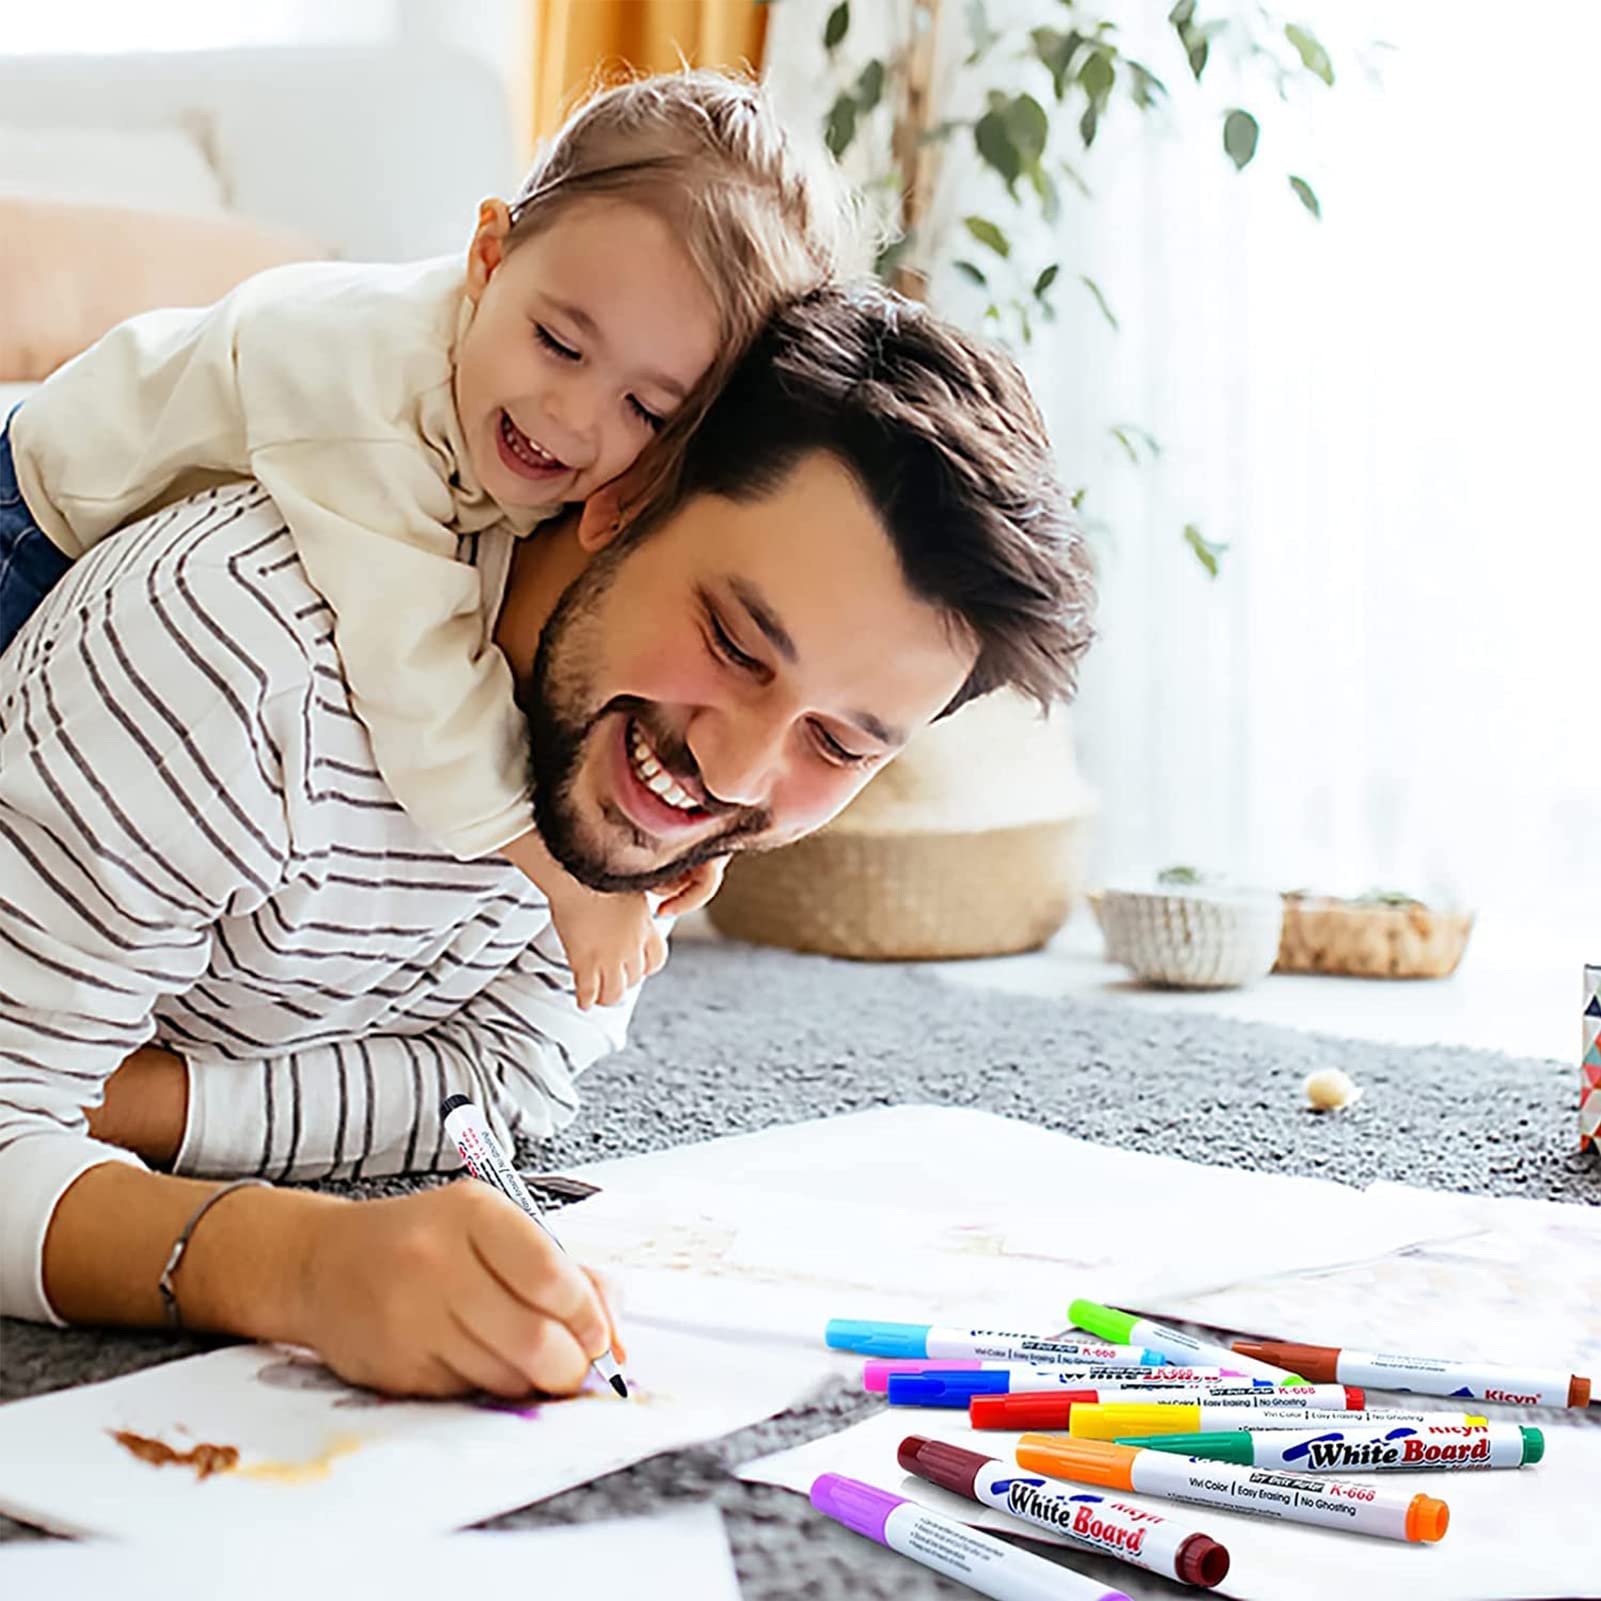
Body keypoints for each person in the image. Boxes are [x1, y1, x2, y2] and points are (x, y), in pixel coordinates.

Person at [0, 282, 1095, 1403]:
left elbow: (505, 1080)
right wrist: (296, 1261)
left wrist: (132, 1102)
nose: (731, 771)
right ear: (619, 501)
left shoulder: (620, 780)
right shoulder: (231, 659)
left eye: (836, 741)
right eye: (730, 641)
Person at [0, 70, 853, 1013]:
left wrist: (673, 838)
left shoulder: (543, 431)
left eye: (647, 408)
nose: (566, 415)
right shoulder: (365, 396)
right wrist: (564, 880)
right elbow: (417, 675)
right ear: (488, 257)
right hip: (34, 522)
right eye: (559, 344)